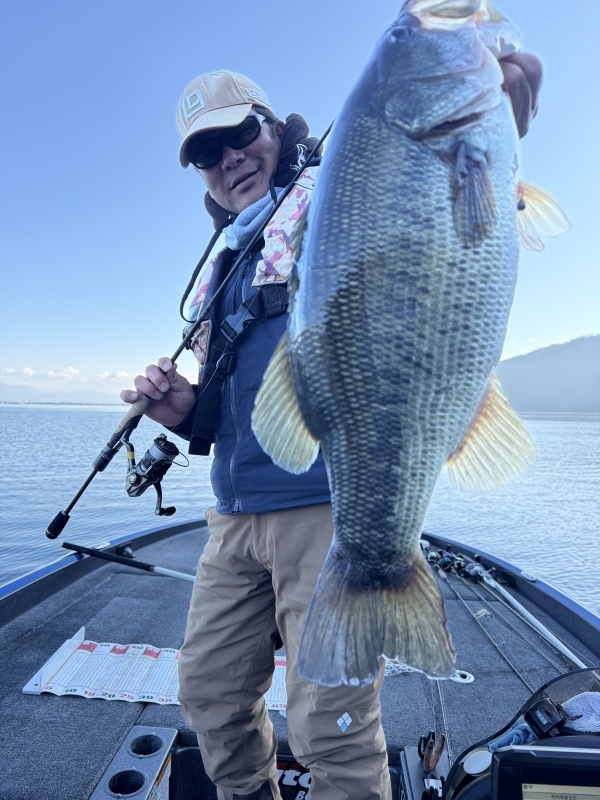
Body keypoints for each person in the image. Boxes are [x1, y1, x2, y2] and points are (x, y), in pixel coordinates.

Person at [121, 54, 543, 800]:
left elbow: (432, 210)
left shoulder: (336, 204)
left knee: (332, 724)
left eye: (240, 134)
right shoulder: (231, 260)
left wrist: (483, 120)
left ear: (275, 128)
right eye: (207, 154)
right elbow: (239, 408)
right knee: (210, 693)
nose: (229, 159)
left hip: (328, 508)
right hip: (235, 514)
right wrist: (186, 414)